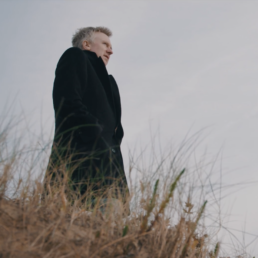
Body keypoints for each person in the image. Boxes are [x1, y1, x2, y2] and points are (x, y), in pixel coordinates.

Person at [44, 27, 129, 205]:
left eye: (111, 46)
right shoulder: (75, 56)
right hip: (78, 166)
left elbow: (115, 132)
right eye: (105, 44)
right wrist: (96, 138)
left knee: (110, 230)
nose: (111, 51)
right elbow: (67, 103)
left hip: (112, 176)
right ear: (86, 44)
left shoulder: (110, 83)